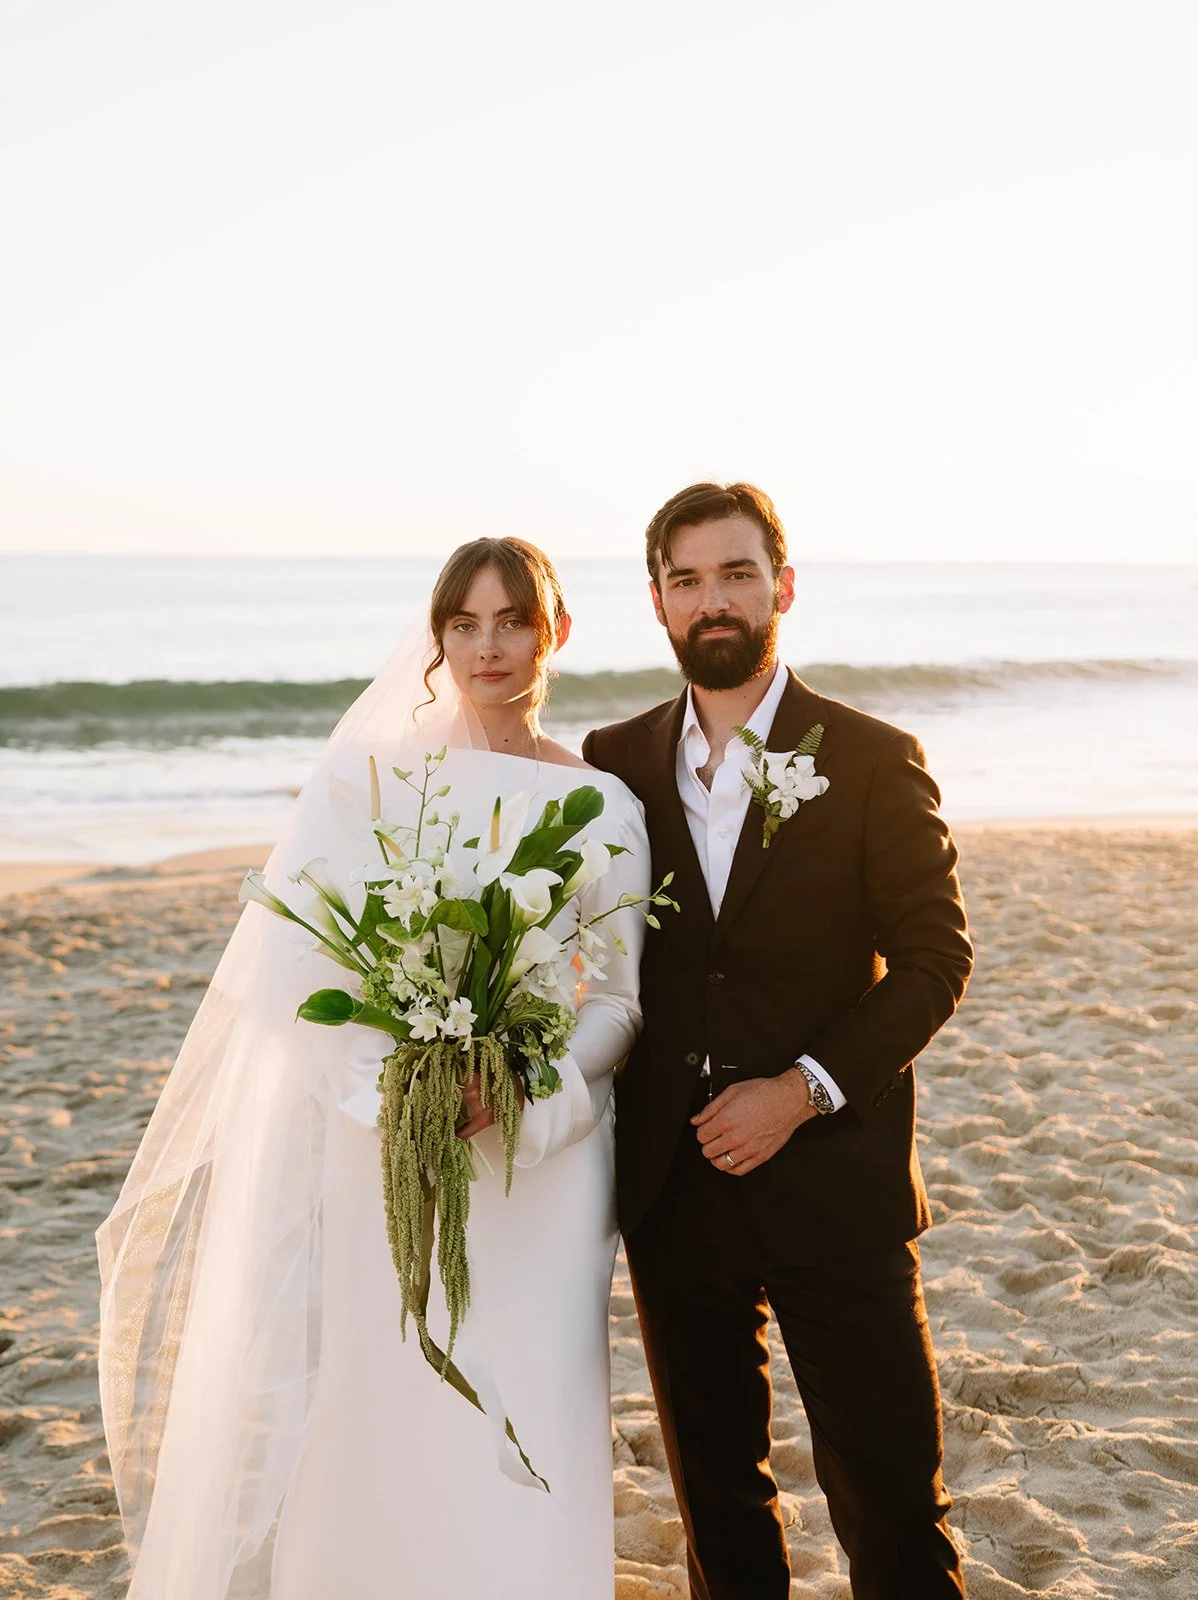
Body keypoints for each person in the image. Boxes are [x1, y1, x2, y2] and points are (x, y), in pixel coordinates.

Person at [97, 538, 650, 1600]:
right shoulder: (374, 782)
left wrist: (527, 1092)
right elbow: (300, 964)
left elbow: (618, 1002)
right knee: (382, 1382)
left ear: (557, 630)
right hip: (392, 1139)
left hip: (542, 1156)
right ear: (438, 637)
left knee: (534, 1384)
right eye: (464, 623)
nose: (490, 646)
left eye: (514, 620)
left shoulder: (603, 806)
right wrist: (401, 1094)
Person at [583, 483, 974, 1599]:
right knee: (719, 1510)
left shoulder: (869, 755)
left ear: (782, 587)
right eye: (688, 579)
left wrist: (802, 1090)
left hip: (832, 1185)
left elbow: (937, 961)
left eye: (737, 573)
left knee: (894, 1506)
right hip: (672, 1188)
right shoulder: (611, 763)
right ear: (657, 602)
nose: (714, 599)